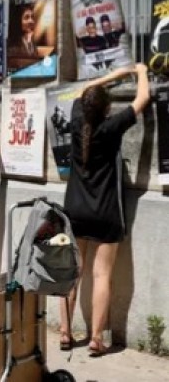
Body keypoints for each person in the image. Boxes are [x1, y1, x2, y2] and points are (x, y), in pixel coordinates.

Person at [59, 64, 150, 356]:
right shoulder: (111, 126)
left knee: (72, 273)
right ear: (106, 109)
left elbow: (86, 91)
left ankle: (64, 332)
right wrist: (139, 71)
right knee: (101, 276)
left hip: (73, 209)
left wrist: (112, 75)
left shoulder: (75, 117)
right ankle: (96, 338)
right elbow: (143, 98)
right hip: (105, 211)